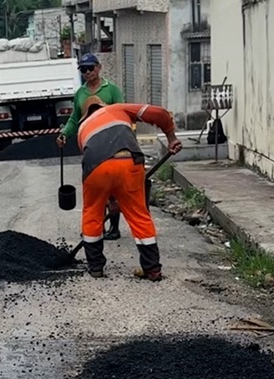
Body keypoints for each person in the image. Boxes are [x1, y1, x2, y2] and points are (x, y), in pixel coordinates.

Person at [76, 95, 182, 281]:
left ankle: (96, 268)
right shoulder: (117, 109)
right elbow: (160, 113)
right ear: (103, 105)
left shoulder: (82, 129)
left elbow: (100, 162)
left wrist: (111, 200)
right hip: (129, 162)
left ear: (84, 115)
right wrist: (171, 138)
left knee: (92, 213)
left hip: (96, 168)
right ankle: (152, 269)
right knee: (138, 214)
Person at [56, 53, 125, 240]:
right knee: (94, 187)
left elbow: (122, 114)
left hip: (111, 144)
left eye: (90, 68)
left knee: (111, 189)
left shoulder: (112, 90)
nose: (87, 72)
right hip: (90, 146)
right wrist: (64, 134)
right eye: (83, 70)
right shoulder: (80, 93)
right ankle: (97, 227)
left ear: (99, 67)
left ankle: (114, 228)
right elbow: (74, 119)